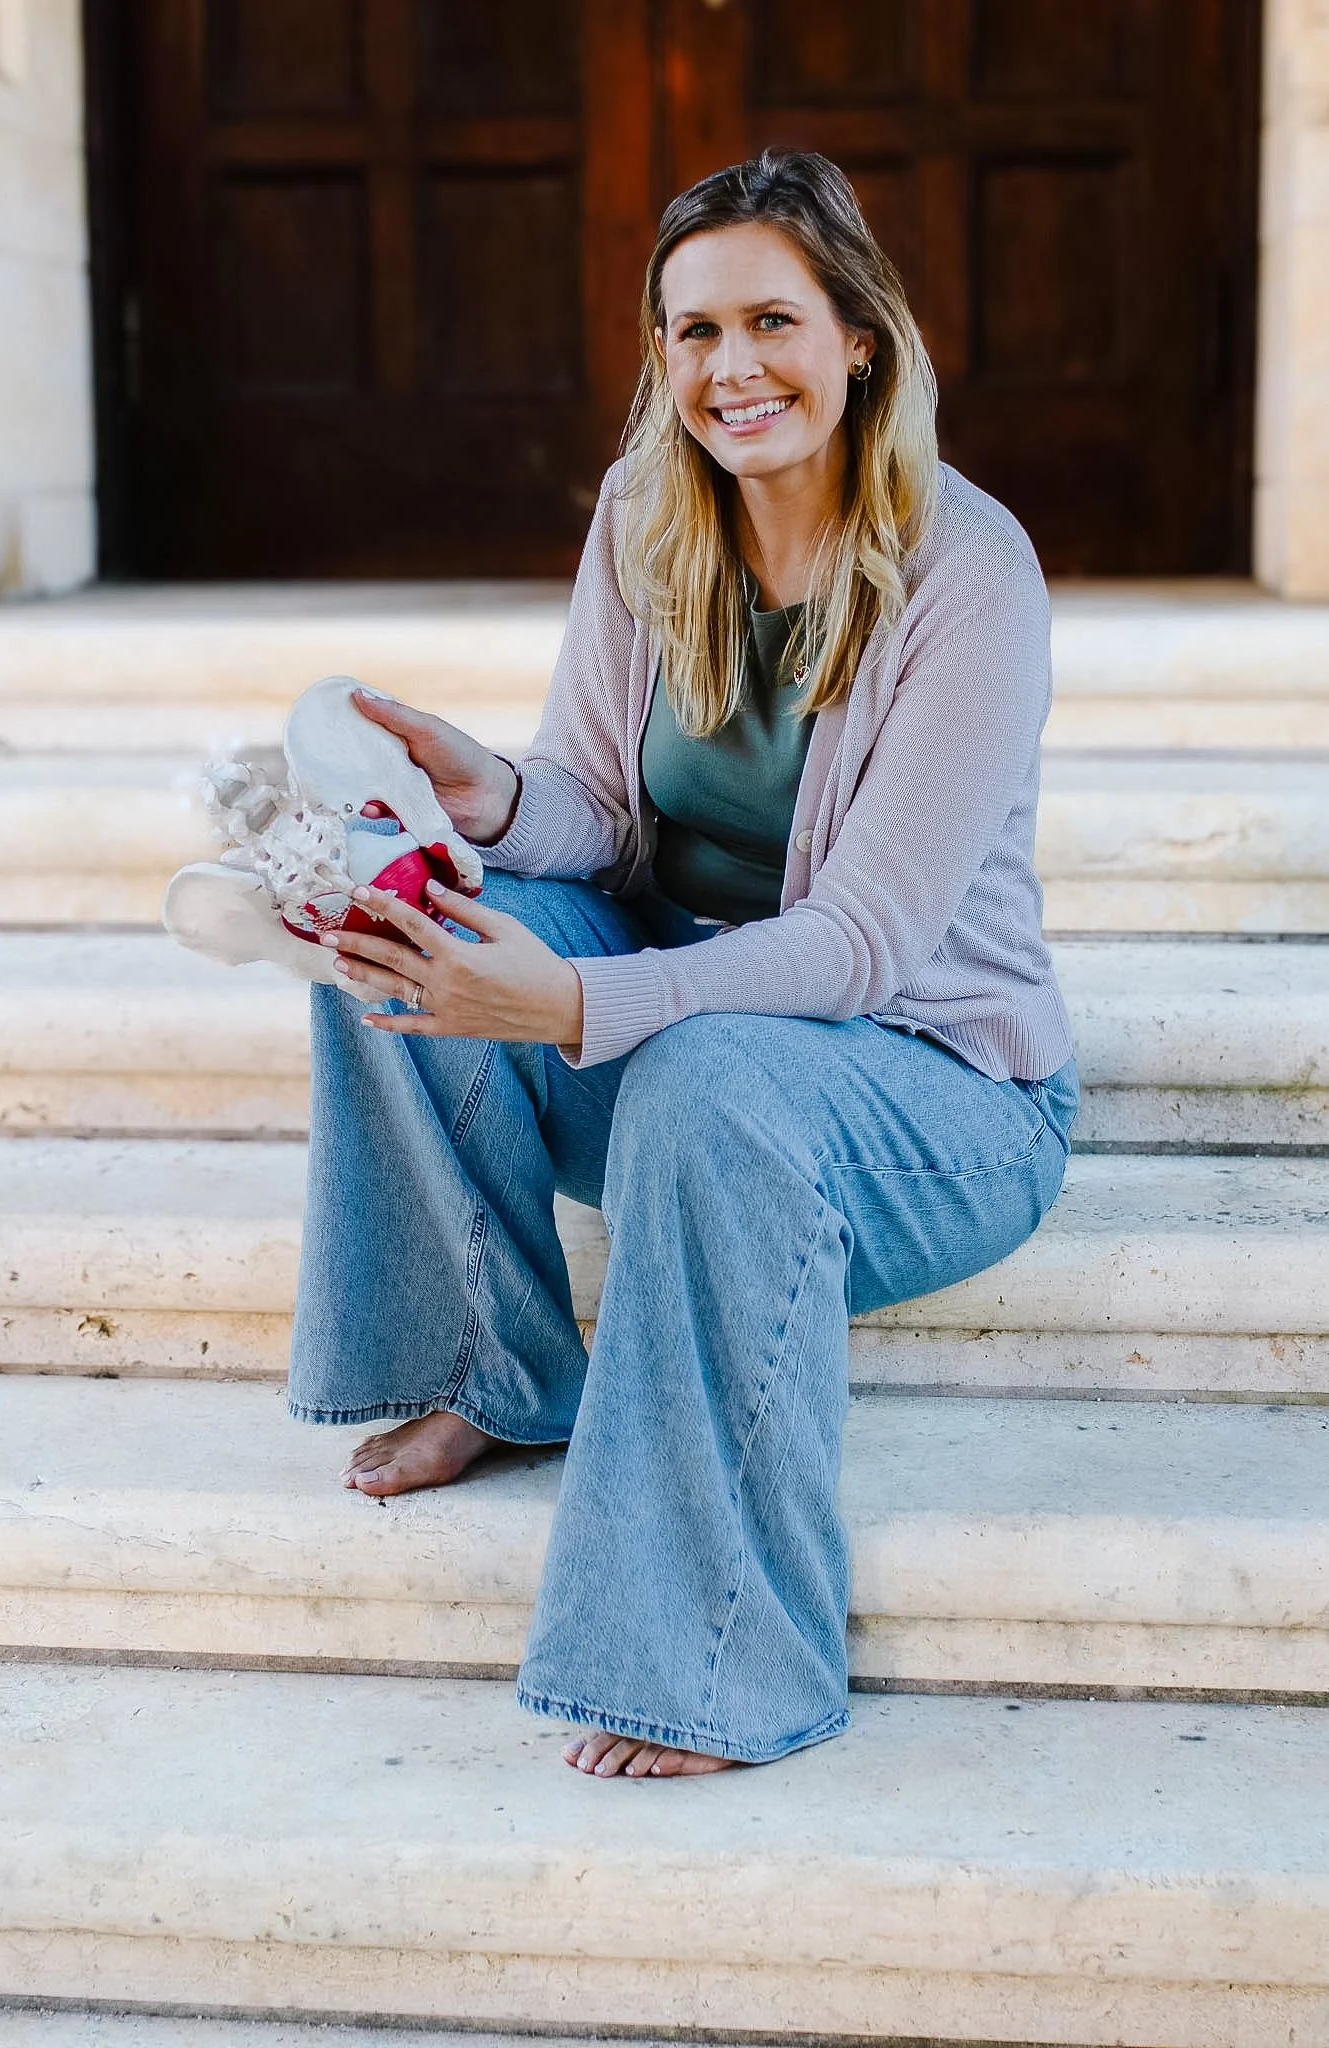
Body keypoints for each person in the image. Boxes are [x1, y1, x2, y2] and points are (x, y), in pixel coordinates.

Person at [288, 149, 1077, 1781]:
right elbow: (600, 814)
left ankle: (717, 1655)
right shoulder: (648, 511)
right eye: (696, 332)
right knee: (403, 910)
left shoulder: (969, 573)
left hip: (933, 1090)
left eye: (772, 322)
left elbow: (863, 945)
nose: (735, 370)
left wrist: (578, 1007)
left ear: (861, 338)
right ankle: (487, 1364)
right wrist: (484, 798)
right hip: (692, 1019)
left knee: (714, 1082)